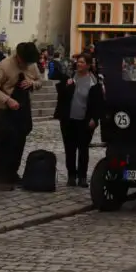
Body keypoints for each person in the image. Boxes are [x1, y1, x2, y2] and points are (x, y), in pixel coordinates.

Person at [0, 41, 41, 190]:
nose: (27, 64)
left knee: (19, 142)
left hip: (22, 107)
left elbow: (39, 81)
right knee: (6, 142)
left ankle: (12, 174)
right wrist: (7, 100)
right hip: (4, 109)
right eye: (25, 61)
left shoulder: (31, 65)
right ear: (19, 57)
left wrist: (32, 83)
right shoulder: (4, 66)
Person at [54, 53, 104, 187]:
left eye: (82, 62)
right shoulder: (70, 78)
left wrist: (95, 118)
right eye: (78, 62)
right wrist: (67, 86)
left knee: (83, 149)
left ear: (88, 65)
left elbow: (98, 103)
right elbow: (61, 97)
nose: (79, 64)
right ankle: (71, 175)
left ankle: (82, 176)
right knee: (70, 149)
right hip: (68, 119)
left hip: (85, 120)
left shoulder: (93, 82)